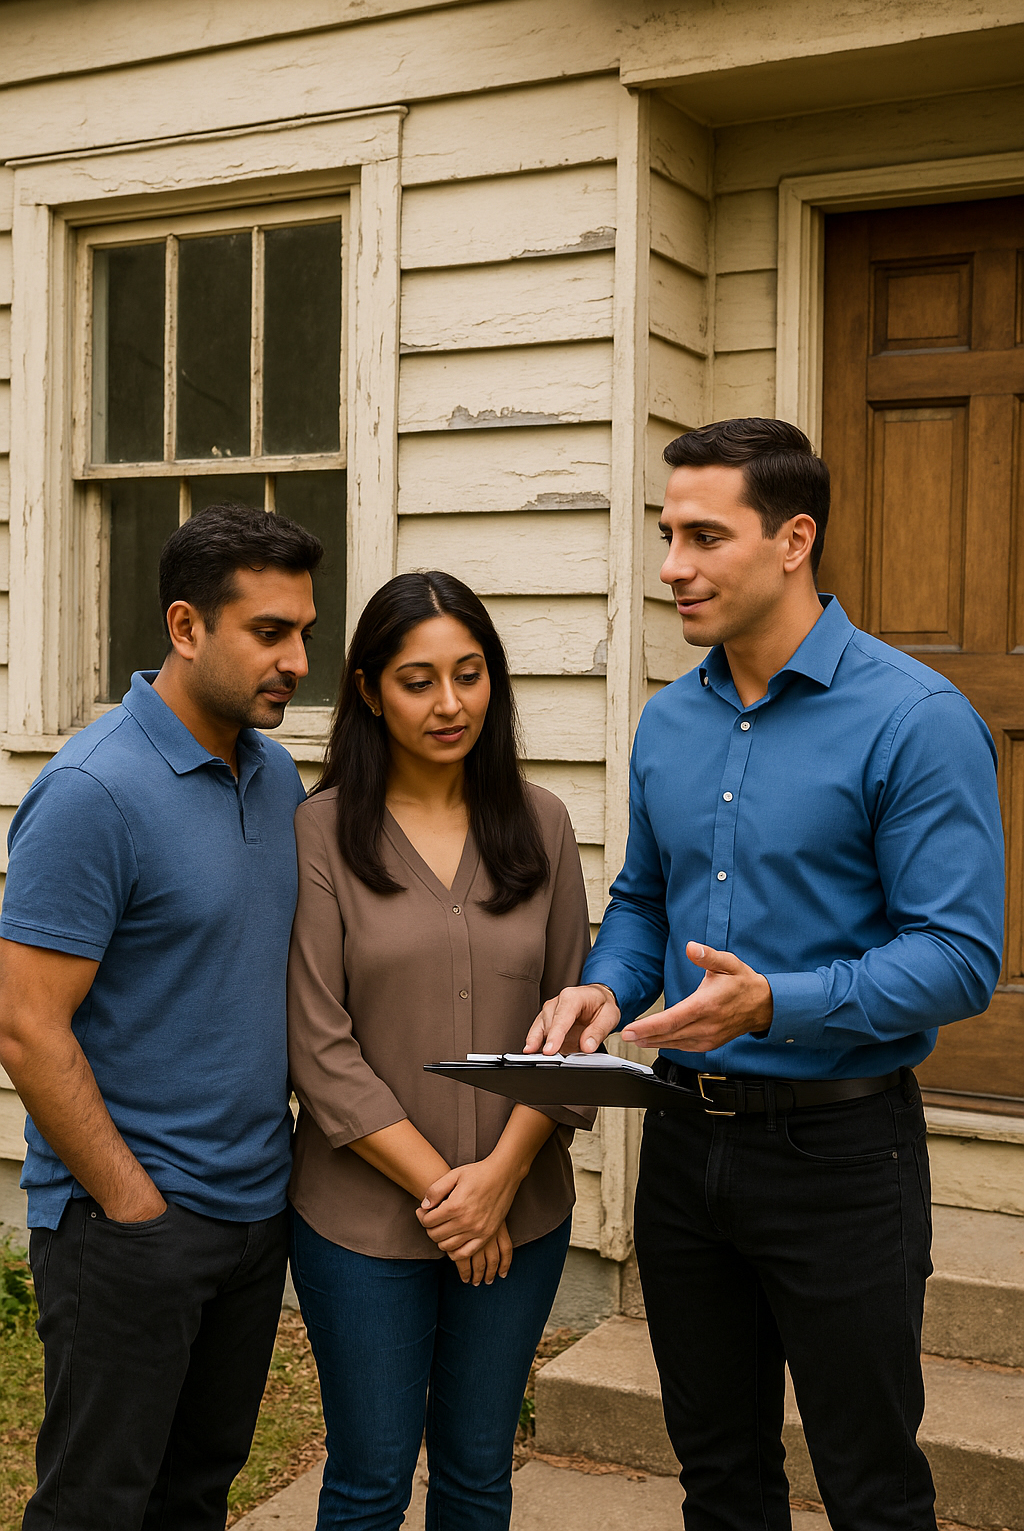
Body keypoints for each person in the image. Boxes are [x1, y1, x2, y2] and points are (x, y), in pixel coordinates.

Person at [525, 418, 1005, 1531]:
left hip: (842, 1156)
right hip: (681, 1148)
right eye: (667, 535)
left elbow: (959, 958)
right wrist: (608, 986)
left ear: (794, 540)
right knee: (720, 1481)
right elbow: (645, 900)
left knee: (870, 1488)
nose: (672, 567)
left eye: (704, 537)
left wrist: (775, 1004)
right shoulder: (667, 722)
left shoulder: (916, 721)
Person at [0, 505, 323, 1530]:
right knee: (97, 1506)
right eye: (269, 632)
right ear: (186, 627)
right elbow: (26, 1026)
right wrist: (134, 1206)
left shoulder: (274, 773)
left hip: (253, 1213)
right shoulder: (92, 791)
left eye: (303, 632)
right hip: (128, 1227)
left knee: (195, 1498)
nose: (296, 661)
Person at [287, 570, 592, 1531]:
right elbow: (319, 1046)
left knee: (477, 1476)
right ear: (371, 691)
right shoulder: (320, 832)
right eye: (418, 681)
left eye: (470, 674)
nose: (450, 703)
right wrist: (453, 1199)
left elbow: (571, 1025)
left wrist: (498, 1182)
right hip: (360, 1227)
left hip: (521, 1211)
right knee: (369, 1481)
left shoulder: (542, 825)